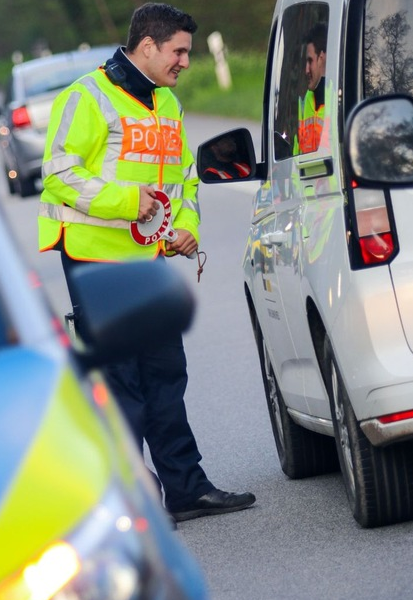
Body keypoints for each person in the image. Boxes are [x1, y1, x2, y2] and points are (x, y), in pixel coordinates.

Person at [38, 2, 255, 523]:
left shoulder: (168, 104)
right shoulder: (87, 96)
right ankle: (135, 501)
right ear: (148, 46)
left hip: (148, 261)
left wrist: (187, 226)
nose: (185, 62)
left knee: (165, 375)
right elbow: (58, 173)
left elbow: (184, 181)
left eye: (188, 52)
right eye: (178, 51)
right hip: (95, 261)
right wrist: (125, 201)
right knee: (123, 384)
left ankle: (185, 489)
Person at [294, 22, 329, 156]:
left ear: (321, 58)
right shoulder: (303, 104)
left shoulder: (337, 103)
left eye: (310, 61)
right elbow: (296, 156)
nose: (306, 70)